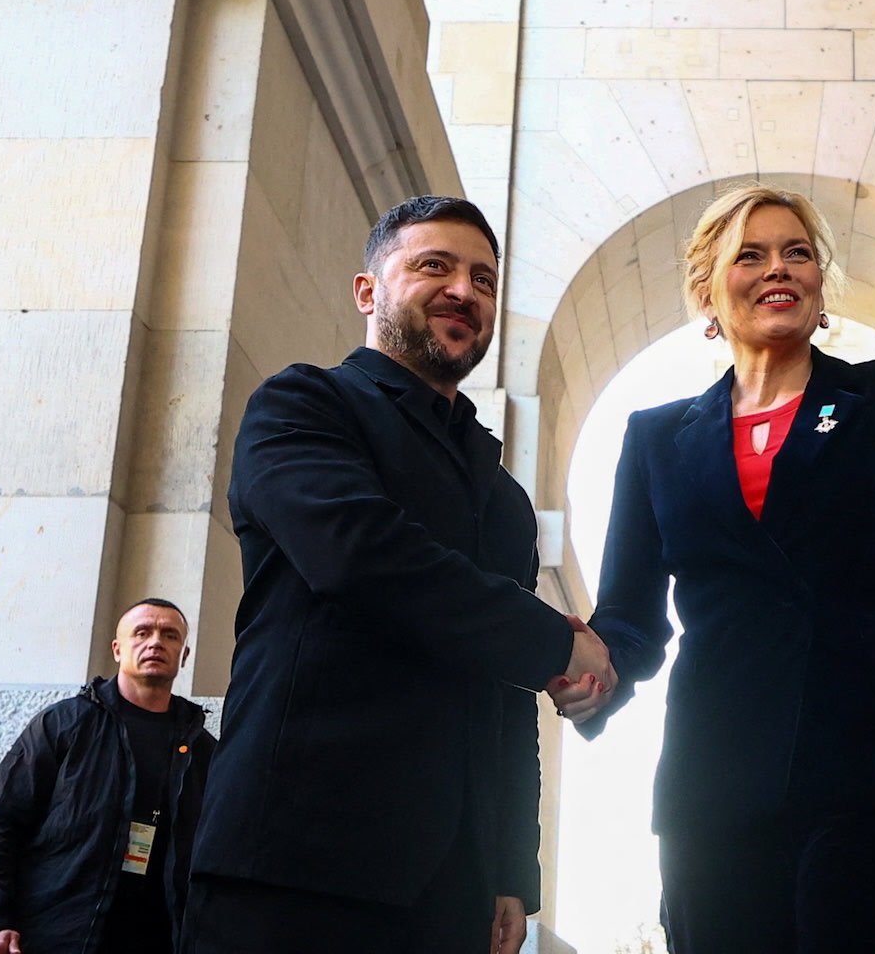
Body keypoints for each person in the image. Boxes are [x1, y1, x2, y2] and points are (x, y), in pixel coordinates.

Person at [570, 184, 875, 954]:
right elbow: (630, 619)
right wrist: (590, 676)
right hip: (717, 789)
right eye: (750, 254)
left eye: (797, 252)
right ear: (708, 288)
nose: (778, 269)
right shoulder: (654, 440)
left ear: (819, 283)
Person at [185, 196, 613, 954]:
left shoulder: (506, 499)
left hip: (451, 890)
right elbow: (364, 557)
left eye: (483, 279)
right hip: (295, 862)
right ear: (367, 291)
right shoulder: (302, 403)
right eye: (434, 266)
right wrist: (558, 643)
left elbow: (506, 693)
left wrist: (511, 865)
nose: (463, 291)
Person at [0, 598, 216, 954]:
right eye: (142, 632)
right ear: (117, 648)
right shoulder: (65, 725)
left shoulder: (203, 749)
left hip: (158, 939)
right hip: (56, 935)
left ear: (184, 654)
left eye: (169, 635)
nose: (155, 642)